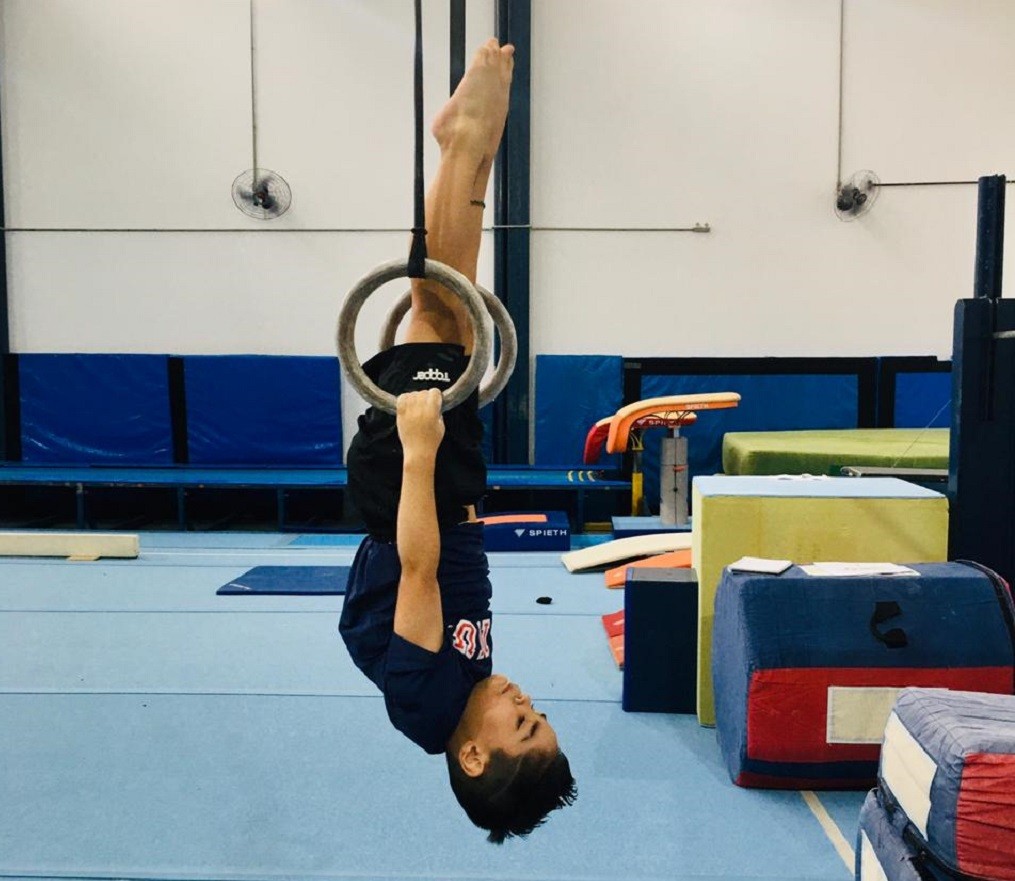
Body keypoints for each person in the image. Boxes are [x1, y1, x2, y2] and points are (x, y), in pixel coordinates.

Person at [338, 39, 576, 843]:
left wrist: (417, 447)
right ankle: (468, 155)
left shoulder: (425, 700)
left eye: (523, 724)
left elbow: (417, 568)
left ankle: (462, 146)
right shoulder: (466, 690)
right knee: (454, 315)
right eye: (540, 713)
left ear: (473, 755)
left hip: (412, 490)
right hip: (448, 496)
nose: (525, 701)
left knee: (437, 310)